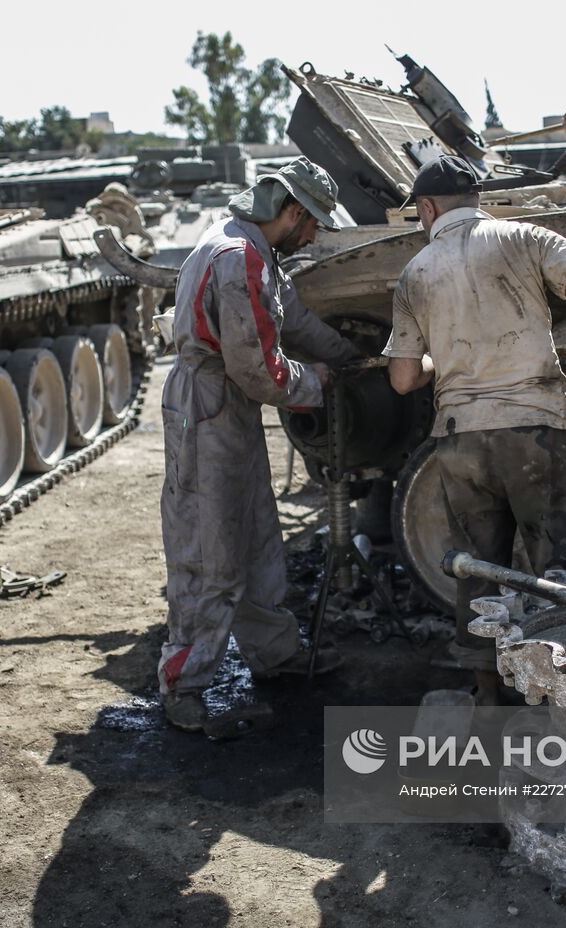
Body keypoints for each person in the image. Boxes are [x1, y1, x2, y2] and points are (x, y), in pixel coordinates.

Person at [384, 154, 566, 704]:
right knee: (565, 570)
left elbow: (403, 379)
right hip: (534, 432)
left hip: (459, 439)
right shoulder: (523, 236)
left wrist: (442, 363)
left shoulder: (415, 272)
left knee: (477, 570)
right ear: (477, 198)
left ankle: (488, 698)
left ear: (427, 208)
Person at [158, 157, 358, 732]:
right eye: (314, 222)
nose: (315, 234)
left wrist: (346, 355)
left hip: (227, 409)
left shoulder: (256, 251)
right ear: (290, 212)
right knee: (208, 549)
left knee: (256, 533)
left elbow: (290, 316)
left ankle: (275, 654)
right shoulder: (236, 256)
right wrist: (312, 381)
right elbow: (256, 370)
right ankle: (185, 684)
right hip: (209, 405)